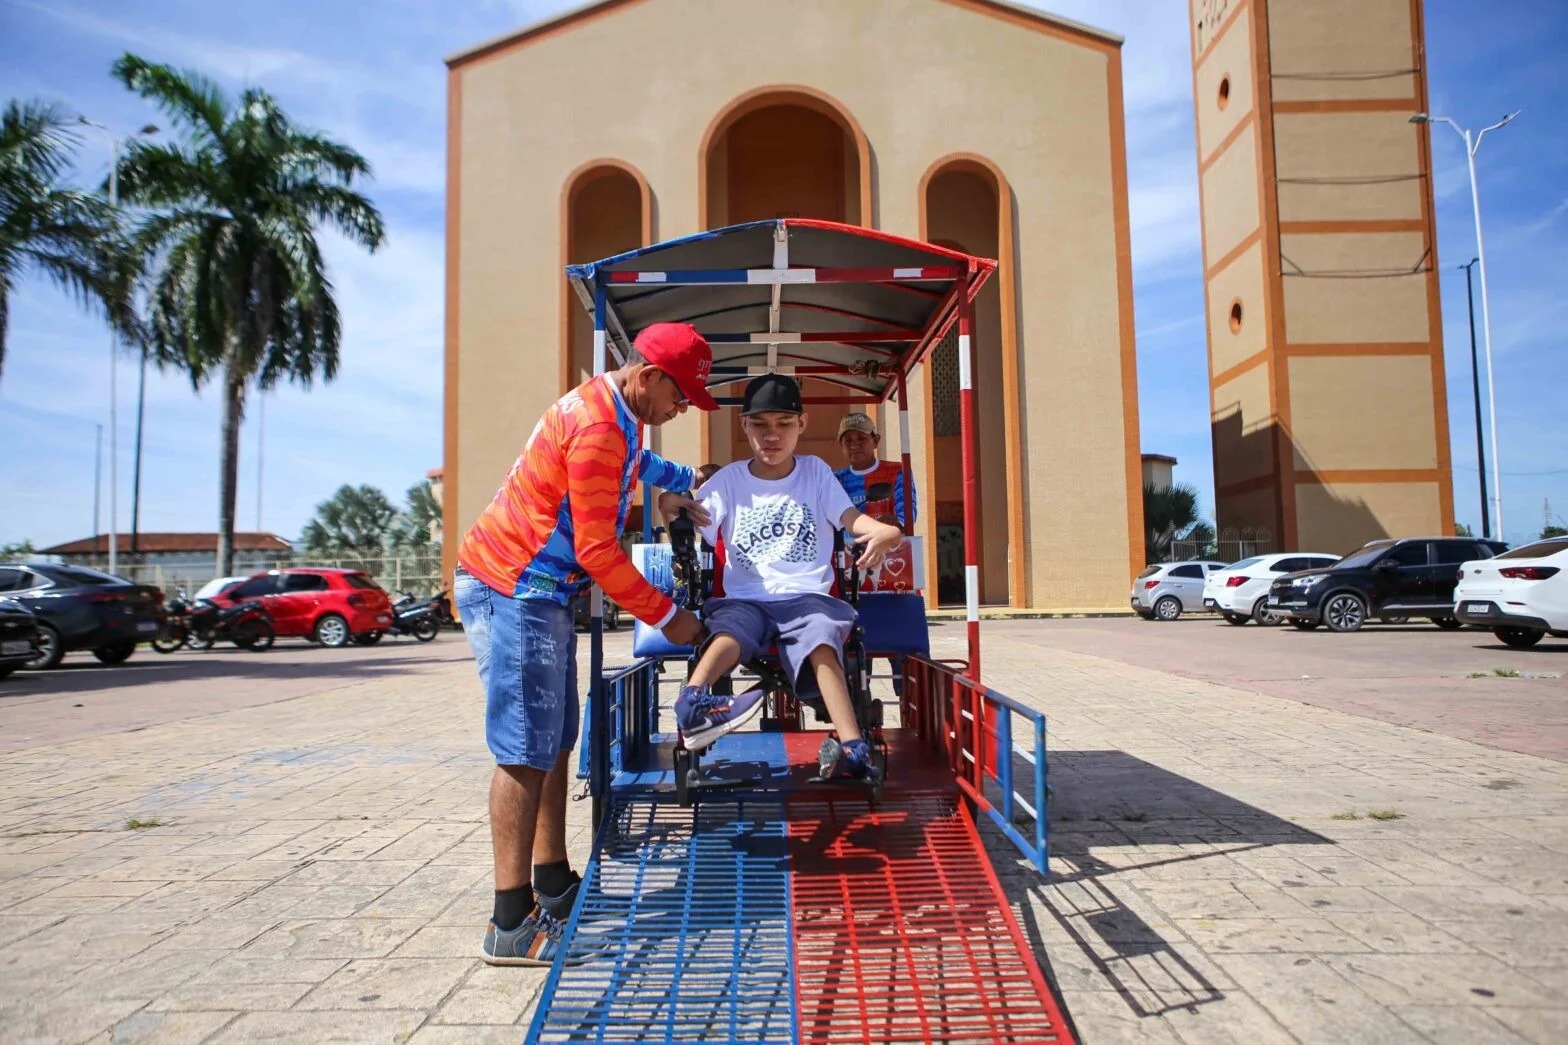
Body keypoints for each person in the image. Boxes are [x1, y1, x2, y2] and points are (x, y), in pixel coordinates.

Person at [454, 321, 722, 966]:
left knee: (553, 740)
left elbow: (639, 464)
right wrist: (672, 618)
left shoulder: (616, 409)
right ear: (648, 376)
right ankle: (510, 923)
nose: (682, 409)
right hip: (514, 586)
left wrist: (689, 478)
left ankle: (552, 879)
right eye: (680, 396)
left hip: (536, 590)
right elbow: (599, 552)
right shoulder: (602, 426)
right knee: (524, 749)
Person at [674, 374, 903, 779]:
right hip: (745, 598)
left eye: (784, 423)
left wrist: (888, 533)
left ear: (802, 424)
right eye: (760, 424)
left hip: (806, 597)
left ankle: (852, 744)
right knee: (729, 628)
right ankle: (692, 701)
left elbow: (853, 520)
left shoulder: (815, 473)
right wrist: (670, 502)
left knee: (820, 634)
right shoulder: (728, 481)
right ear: (744, 425)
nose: (772, 435)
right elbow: (686, 514)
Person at [833, 412, 917, 529]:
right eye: (848, 440)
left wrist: (896, 523)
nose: (854, 445)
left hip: (889, 540)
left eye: (861, 439)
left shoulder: (897, 471)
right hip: (850, 541)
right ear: (841, 445)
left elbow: (907, 513)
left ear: (876, 441)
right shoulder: (835, 479)